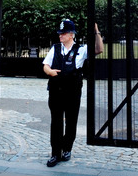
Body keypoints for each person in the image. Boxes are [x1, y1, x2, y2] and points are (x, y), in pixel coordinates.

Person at [43, 18, 103, 167]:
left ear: (71, 35)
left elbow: (99, 49)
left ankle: (67, 149)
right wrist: (49, 71)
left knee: (71, 122)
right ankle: (55, 153)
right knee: (56, 122)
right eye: (59, 33)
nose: (60, 36)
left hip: (72, 92)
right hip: (56, 92)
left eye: (63, 33)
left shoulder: (81, 50)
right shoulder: (55, 48)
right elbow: (45, 65)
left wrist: (96, 30)